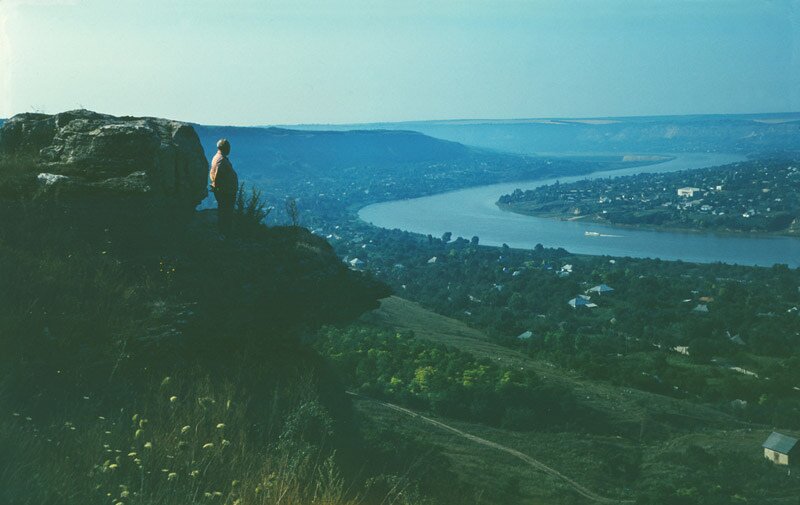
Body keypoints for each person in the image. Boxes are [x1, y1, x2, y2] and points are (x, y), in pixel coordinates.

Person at [209, 138, 238, 236]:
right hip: (225, 191)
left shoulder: (218, 157)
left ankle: (224, 232)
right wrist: (216, 186)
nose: (229, 149)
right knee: (226, 212)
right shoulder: (221, 160)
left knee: (224, 211)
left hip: (225, 190)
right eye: (228, 147)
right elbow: (217, 175)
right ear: (225, 148)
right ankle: (224, 233)